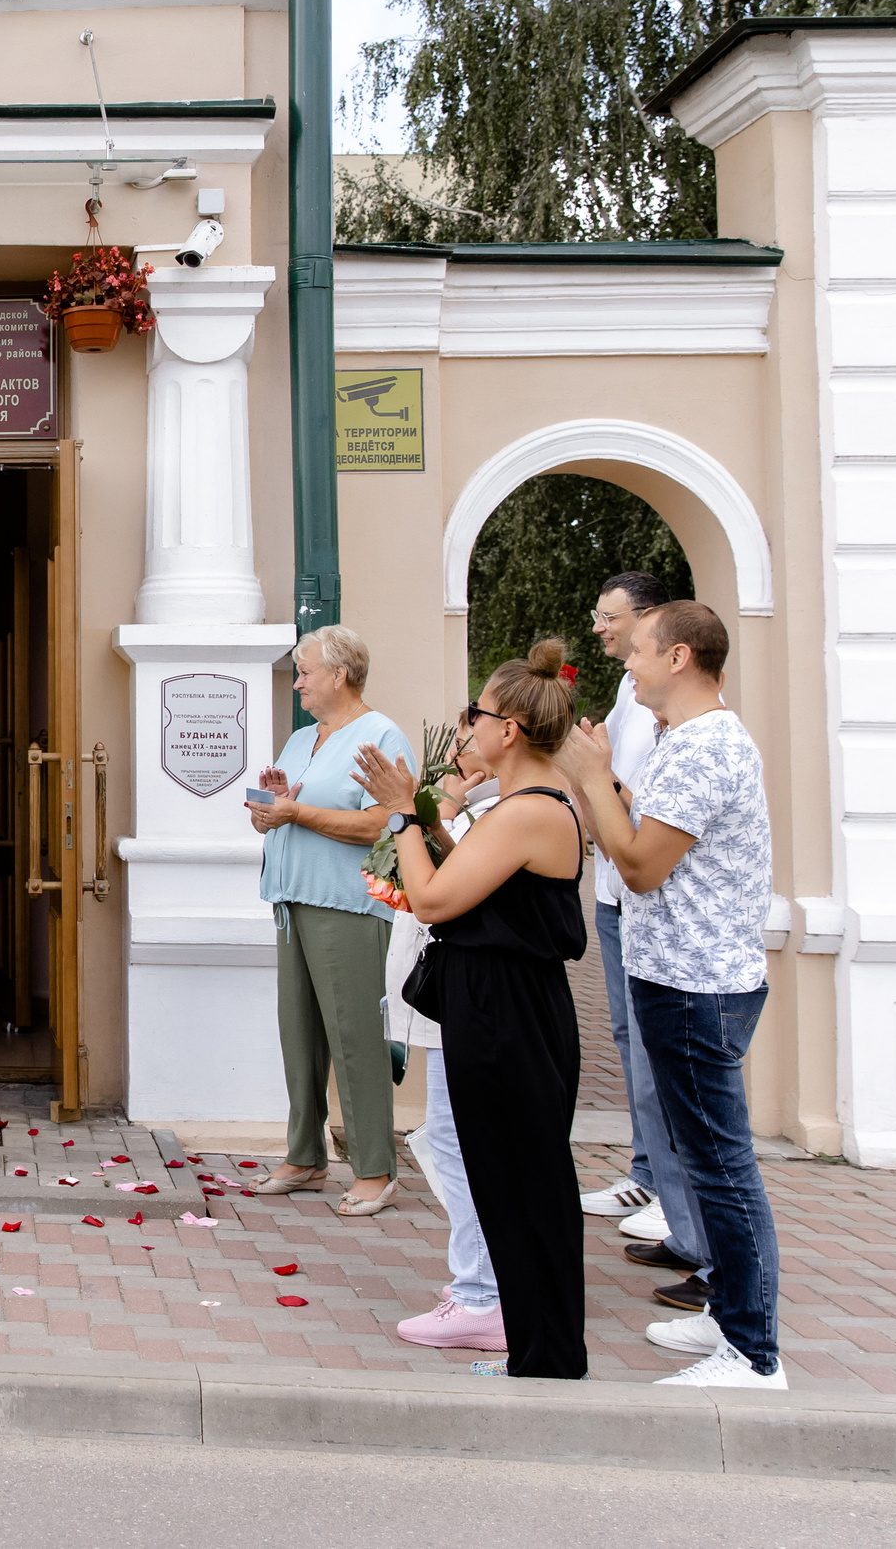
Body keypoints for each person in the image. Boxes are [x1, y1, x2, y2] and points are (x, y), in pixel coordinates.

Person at [558, 601, 787, 1390]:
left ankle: (753, 1353)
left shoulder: (704, 744)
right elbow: (632, 841)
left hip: (696, 984)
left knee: (721, 1168)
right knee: (704, 1160)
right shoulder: (683, 740)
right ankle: (727, 1312)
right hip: (682, 977)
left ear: (681, 656)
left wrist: (593, 779)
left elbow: (641, 865)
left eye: (641, 650)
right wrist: (598, 783)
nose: (628, 661)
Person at [354, 639, 589, 1381]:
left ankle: (550, 1357)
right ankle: (537, 1349)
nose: (468, 726)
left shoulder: (530, 809)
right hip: (502, 1006)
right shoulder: (521, 806)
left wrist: (403, 817)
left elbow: (432, 898)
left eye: (475, 713)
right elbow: (472, 877)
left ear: (508, 729)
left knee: (523, 1184)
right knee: (508, 1181)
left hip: (509, 1014)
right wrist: (430, 819)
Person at [580, 572, 714, 1316]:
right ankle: (669, 1204)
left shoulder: (700, 743)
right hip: (629, 910)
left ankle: (709, 1258)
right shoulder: (641, 703)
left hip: (681, 947)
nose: (610, 639)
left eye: (615, 622)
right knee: (639, 1062)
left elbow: (641, 849)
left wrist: (595, 781)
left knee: (684, 1098)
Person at [247, 625, 416, 1216]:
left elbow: (384, 822)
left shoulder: (380, 735)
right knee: (299, 1036)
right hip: (290, 900)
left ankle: (375, 1169)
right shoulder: (301, 739)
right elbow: (275, 813)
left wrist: (296, 812)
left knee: (354, 1038)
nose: (297, 683)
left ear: (340, 674)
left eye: (305, 672)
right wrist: (268, 807)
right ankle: (305, 1157)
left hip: (347, 904)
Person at [384, 739, 509, 1352]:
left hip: (472, 993)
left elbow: (439, 896)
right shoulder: (482, 808)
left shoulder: (504, 811)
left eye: (469, 735)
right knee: (448, 1136)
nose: (458, 751)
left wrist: (416, 817)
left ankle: (482, 1294)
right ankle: (481, 1282)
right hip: (455, 994)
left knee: (460, 1143)